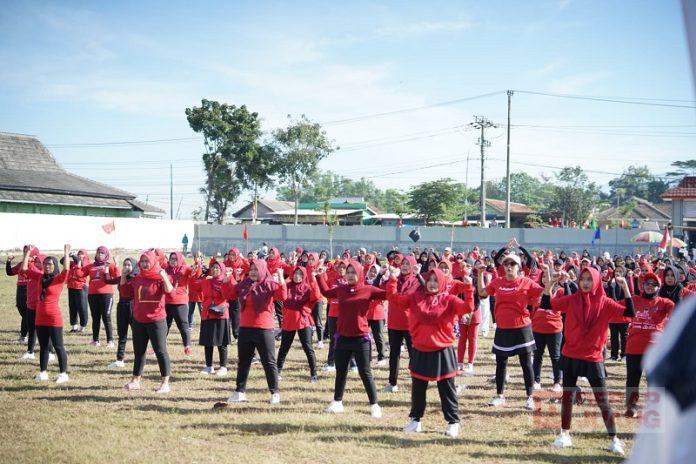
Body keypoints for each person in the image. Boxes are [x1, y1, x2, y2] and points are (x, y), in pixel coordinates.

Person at [540, 265, 634, 455]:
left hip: (593, 357)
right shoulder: (572, 299)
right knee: (567, 397)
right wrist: (550, 285)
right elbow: (547, 304)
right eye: (582, 279)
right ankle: (564, 434)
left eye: (589, 279)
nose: (585, 283)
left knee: (602, 400)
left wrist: (625, 287)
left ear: (597, 281)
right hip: (571, 354)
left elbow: (629, 313)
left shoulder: (605, 303)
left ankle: (614, 439)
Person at [387, 267, 474, 437]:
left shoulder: (449, 299)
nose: (432, 283)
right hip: (420, 349)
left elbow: (467, 307)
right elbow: (394, 298)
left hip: (442, 350)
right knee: (418, 389)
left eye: (436, 280)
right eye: (430, 280)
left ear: (442, 282)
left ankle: (453, 422)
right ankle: (415, 421)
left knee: (447, 389)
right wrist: (392, 279)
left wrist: (469, 288)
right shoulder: (416, 297)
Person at [316, 261, 386, 418]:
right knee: (341, 372)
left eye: (353, 272)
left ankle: (374, 405)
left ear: (360, 273)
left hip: (361, 339)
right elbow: (326, 293)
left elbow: (387, 295)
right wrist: (319, 276)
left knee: (365, 372)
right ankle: (337, 402)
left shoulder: (368, 289)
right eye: (348, 272)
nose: (350, 275)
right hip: (342, 338)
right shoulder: (341, 289)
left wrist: (392, 279)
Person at [477, 251, 543, 410]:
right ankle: (500, 396)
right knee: (501, 363)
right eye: (506, 263)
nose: (509, 266)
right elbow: (482, 293)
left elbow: (543, 292)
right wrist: (479, 275)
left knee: (526, 364)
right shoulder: (497, 282)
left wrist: (551, 281)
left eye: (512, 264)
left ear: (519, 267)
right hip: (503, 329)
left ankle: (530, 397)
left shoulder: (526, 282)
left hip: (522, 328)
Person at [224, 259, 287, 404]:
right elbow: (230, 294)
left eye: (256, 269)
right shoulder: (245, 283)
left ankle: (274, 393)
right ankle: (240, 392)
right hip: (245, 327)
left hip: (264, 328)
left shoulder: (269, 283)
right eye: (251, 269)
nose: (252, 272)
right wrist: (227, 281)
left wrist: (281, 278)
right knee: (244, 361)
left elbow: (282, 296)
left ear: (263, 270)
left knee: (269, 361)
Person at [123, 251, 175, 393]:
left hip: (157, 321)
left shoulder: (160, 276)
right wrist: (123, 275)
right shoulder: (137, 278)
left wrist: (164, 277)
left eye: (147, 261)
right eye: (143, 261)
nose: (145, 264)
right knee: (139, 352)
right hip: (139, 320)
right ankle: (135, 381)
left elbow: (171, 292)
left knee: (160, 351)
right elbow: (125, 292)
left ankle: (165, 383)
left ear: (153, 262)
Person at [624, 272, 674, 418]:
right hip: (634, 347)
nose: (650, 286)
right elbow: (616, 307)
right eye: (647, 283)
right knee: (632, 379)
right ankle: (631, 406)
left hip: (654, 349)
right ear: (642, 285)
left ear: (659, 287)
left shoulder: (665, 303)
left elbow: (676, 314)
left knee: (654, 380)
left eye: (654, 284)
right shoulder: (634, 300)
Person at [21, 244, 71, 383]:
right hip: (40, 317)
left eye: (49, 264)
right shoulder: (39, 276)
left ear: (54, 265)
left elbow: (66, 269)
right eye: (45, 264)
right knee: (43, 347)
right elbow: (24, 269)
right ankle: (43, 373)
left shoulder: (59, 279)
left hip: (54, 318)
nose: (47, 266)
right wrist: (27, 253)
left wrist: (66, 253)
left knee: (58, 346)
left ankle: (63, 374)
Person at [277, 266, 321, 382]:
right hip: (289, 320)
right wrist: (280, 278)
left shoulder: (307, 287)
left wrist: (313, 279)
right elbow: (280, 294)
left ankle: (314, 374)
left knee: (308, 348)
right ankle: (277, 371)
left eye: (300, 274)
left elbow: (317, 296)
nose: (297, 276)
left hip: (302, 320)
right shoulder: (287, 285)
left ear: (304, 276)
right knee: (284, 348)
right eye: (295, 273)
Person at [383, 255, 420, 392]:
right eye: (403, 263)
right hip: (394, 322)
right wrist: (389, 276)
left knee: (413, 353)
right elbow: (385, 291)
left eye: (407, 264)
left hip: (410, 323)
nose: (404, 266)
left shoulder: (416, 281)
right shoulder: (394, 279)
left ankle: (417, 379)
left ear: (413, 266)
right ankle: (392, 382)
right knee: (394, 353)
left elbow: (408, 296)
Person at [74, 246, 117, 347]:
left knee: (106, 317)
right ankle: (95, 340)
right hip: (92, 295)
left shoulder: (109, 265)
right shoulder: (91, 266)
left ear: (106, 254)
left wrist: (116, 264)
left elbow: (116, 276)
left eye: (102, 253)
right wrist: (79, 261)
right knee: (95, 317)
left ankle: (110, 341)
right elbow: (79, 274)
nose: (100, 255)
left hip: (106, 295)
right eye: (98, 253)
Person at [199, 260, 234, 376]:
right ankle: (209, 366)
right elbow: (194, 286)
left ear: (222, 270)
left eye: (217, 268)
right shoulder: (206, 281)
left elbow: (230, 294)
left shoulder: (225, 281)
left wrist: (228, 280)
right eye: (213, 268)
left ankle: (223, 367)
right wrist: (195, 273)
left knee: (221, 342)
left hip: (221, 314)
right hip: (208, 313)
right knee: (208, 342)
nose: (214, 270)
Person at [104, 257, 138, 369]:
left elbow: (126, 291)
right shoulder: (121, 278)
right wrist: (106, 268)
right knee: (122, 334)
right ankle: (119, 360)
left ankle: (138, 359)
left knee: (137, 335)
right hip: (122, 307)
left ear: (134, 266)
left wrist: (122, 276)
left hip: (133, 307)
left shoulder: (136, 279)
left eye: (129, 265)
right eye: (125, 265)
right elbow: (107, 280)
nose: (126, 267)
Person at [164, 252, 198, 356]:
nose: (173, 261)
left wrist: (197, 264)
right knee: (164, 326)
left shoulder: (185, 268)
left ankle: (187, 347)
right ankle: (159, 345)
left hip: (180, 302)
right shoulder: (166, 270)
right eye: (171, 258)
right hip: (166, 301)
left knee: (183, 325)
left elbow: (194, 272)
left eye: (175, 259)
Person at [5, 245, 38, 343]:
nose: (25, 254)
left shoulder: (36, 265)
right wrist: (8, 261)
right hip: (20, 290)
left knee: (27, 315)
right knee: (23, 312)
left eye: (27, 253)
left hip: (30, 290)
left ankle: (25, 336)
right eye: (24, 252)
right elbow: (9, 272)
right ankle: (28, 334)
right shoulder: (21, 264)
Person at [365, 264, 387, 366]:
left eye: (375, 272)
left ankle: (381, 357)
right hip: (365, 313)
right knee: (364, 336)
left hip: (377, 313)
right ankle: (366, 356)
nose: (372, 273)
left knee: (378, 336)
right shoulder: (364, 282)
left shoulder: (382, 283)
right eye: (371, 271)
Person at [66, 249, 90, 333]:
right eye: (79, 253)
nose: (80, 255)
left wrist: (74, 256)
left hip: (81, 287)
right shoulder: (73, 262)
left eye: (82, 254)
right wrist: (67, 254)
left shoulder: (86, 262)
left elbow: (82, 264)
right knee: (72, 307)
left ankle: (82, 326)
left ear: (85, 255)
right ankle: (74, 326)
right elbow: (62, 261)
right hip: (71, 286)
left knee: (82, 307)